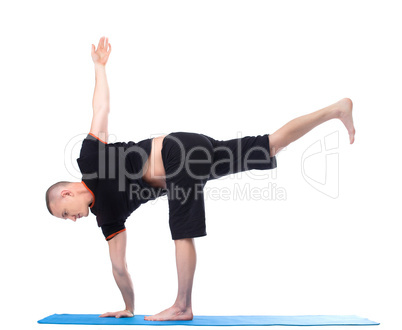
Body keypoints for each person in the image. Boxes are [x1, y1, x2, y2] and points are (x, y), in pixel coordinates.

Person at [45, 37, 355, 321]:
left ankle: (182, 306)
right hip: (192, 149)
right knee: (270, 144)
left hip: (176, 156)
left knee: (181, 228)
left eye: (65, 214)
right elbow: (119, 267)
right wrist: (128, 306)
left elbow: (100, 108)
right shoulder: (107, 217)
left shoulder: (89, 160)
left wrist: (99, 67)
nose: (72, 220)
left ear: (67, 194)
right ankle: (335, 110)